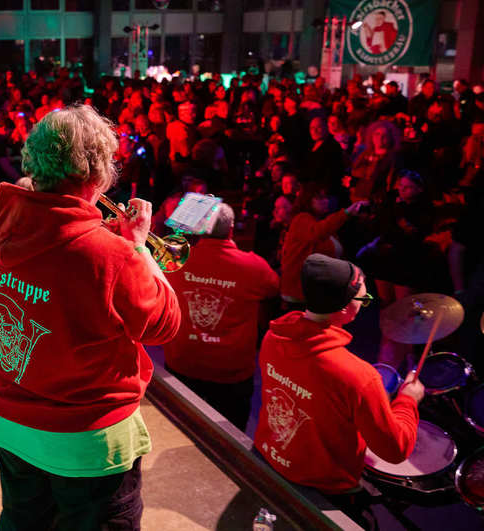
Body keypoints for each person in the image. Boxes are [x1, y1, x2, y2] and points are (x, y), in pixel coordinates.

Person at [0, 105, 180, 530]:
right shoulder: (112, 255)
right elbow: (165, 324)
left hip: (6, 414)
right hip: (82, 438)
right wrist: (138, 247)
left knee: (24, 519)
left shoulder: (3, 221)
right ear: (99, 172)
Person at [254, 254, 423, 524]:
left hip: (267, 460)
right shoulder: (357, 375)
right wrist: (407, 400)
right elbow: (395, 450)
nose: (365, 305)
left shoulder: (273, 337)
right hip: (324, 492)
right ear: (345, 308)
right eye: (363, 299)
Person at [163, 203, 279, 431]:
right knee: (229, 436)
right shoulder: (255, 267)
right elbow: (274, 290)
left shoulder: (176, 260)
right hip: (231, 372)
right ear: (232, 228)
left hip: (183, 361)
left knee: (180, 429)